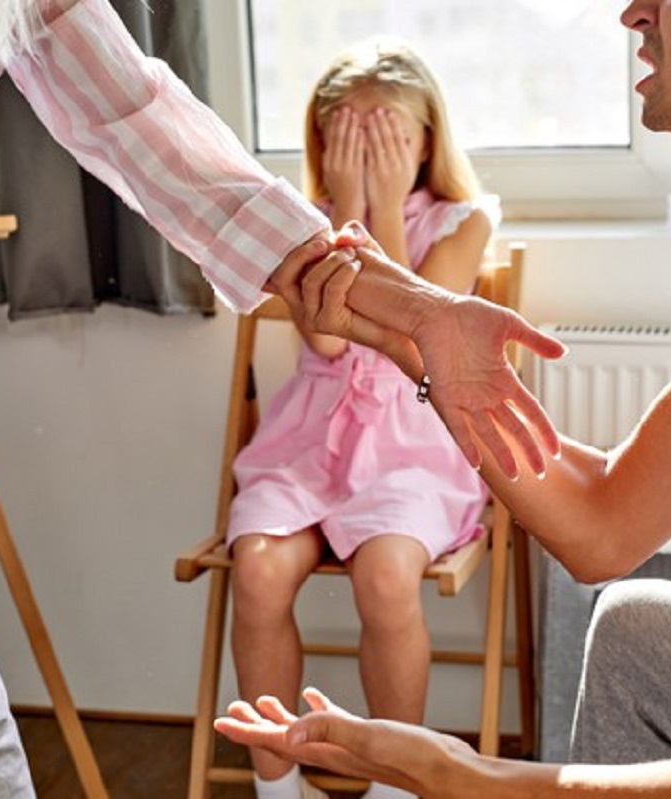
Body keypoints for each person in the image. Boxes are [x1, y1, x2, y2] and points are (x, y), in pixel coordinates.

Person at [0, 2, 563, 796]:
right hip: (309, 463)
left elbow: (141, 118)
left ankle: (392, 779)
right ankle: (275, 781)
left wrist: (418, 308)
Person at [215, 0, 671, 797]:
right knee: (636, 625)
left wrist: (458, 771)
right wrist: (414, 331)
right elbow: (605, 518)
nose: (633, 13)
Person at [226, 38, 498, 799]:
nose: (372, 152)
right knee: (258, 568)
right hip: (308, 446)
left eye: (389, 138)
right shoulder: (303, 221)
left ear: (427, 141)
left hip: (412, 446)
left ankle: (394, 783)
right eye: (351, 137)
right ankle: (276, 782)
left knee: (384, 576)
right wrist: (346, 205)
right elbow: (324, 331)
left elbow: (412, 327)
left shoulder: (462, 222)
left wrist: (379, 206)